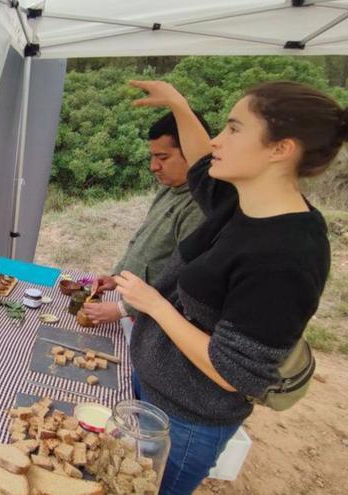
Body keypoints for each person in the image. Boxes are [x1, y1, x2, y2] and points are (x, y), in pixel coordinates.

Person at [116, 79, 336, 495]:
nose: (217, 139)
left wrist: (156, 305)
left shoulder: (288, 257)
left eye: (234, 129)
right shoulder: (239, 201)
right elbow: (201, 161)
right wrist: (179, 104)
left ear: (280, 149)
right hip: (155, 387)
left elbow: (234, 372)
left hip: (187, 420)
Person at [82, 112, 209, 337]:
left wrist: (122, 309)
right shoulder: (170, 190)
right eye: (152, 157)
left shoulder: (197, 208)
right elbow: (141, 240)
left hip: (154, 324)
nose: (153, 166)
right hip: (135, 310)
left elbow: (182, 281)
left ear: (192, 150)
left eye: (163, 157)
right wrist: (116, 277)